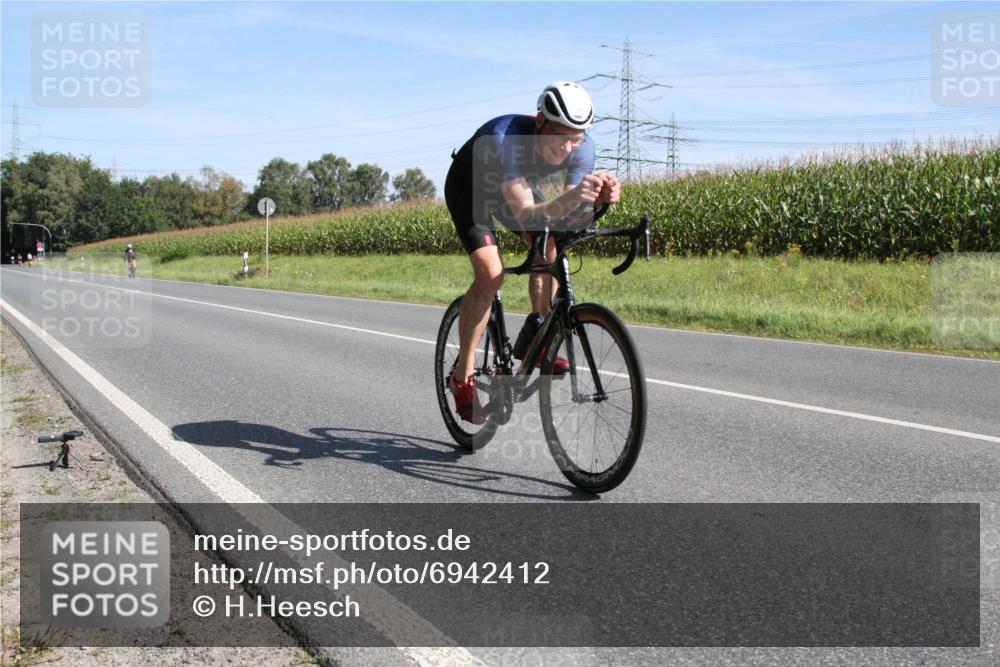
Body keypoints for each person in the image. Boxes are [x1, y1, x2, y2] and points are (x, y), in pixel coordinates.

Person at [444, 81, 621, 423]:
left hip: (514, 191)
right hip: (471, 190)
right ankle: (462, 376)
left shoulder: (582, 148)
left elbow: (570, 216)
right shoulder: (504, 140)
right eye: (560, 137)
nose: (568, 147)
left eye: (577, 138)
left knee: (549, 246)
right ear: (540, 121)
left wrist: (598, 201)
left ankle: (537, 334)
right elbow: (526, 212)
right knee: (490, 273)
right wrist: (576, 196)